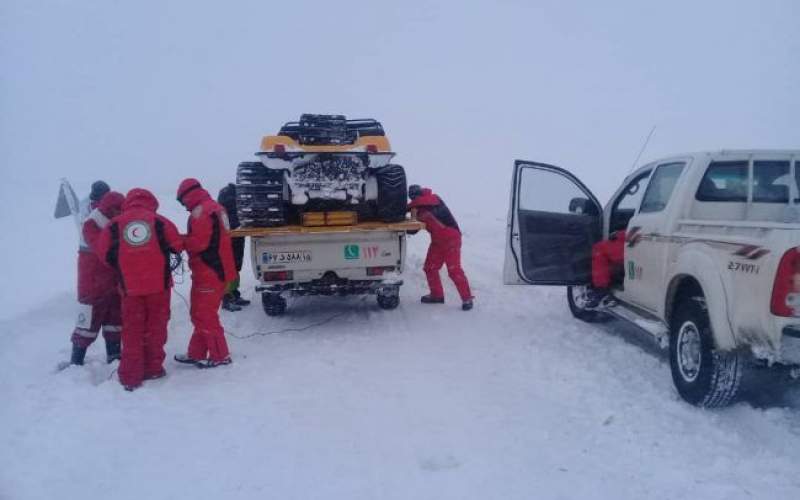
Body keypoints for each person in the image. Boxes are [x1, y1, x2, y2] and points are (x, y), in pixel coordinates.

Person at [97, 188, 183, 391]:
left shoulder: (114, 225)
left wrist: (123, 265)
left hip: (130, 289)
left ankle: (130, 375)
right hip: (159, 288)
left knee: (132, 331)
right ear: (151, 202)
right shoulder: (159, 221)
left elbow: (103, 253)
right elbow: (177, 245)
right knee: (156, 328)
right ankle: (153, 368)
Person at [174, 178, 236, 368]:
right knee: (200, 314)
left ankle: (220, 356)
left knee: (205, 315)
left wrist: (177, 241)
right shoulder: (216, 207)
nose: (183, 206)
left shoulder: (201, 211)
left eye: (182, 201)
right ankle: (196, 353)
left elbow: (199, 243)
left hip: (209, 270)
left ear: (187, 195)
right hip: (219, 268)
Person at [69, 190, 124, 365]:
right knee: (86, 325)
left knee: (114, 322)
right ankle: (76, 361)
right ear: (110, 208)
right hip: (92, 286)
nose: (121, 213)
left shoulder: (115, 222)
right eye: (119, 210)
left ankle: (114, 357)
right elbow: (105, 250)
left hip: (113, 284)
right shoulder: (91, 223)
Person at [407, 185, 474, 311]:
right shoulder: (420, 208)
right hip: (437, 241)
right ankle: (437, 295)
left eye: (414, 196)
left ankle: (467, 299)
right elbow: (414, 229)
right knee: (430, 268)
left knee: (454, 270)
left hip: (451, 238)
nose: (413, 199)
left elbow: (422, 203)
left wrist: (408, 208)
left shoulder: (433, 199)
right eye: (412, 197)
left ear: (419, 194)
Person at [217, 183, 250, 312]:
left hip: (236, 237)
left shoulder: (229, 198)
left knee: (235, 268)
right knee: (229, 268)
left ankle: (234, 295)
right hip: (228, 239)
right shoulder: (229, 200)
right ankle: (227, 298)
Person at [585, 229, 627, 308]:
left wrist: (619, 234)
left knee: (599, 248)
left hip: (640, 243)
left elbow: (640, 230)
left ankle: (601, 288)